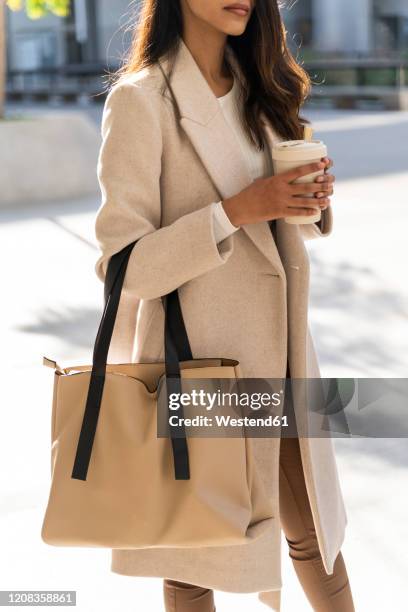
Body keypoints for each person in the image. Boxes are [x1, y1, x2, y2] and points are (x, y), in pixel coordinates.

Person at [93, 1, 355, 610]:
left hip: (283, 354)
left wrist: (309, 199)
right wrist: (239, 209)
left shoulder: (260, 88)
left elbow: (280, 223)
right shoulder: (141, 101)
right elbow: (121, 265)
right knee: (194, 563)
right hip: (198, 363)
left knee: (317, 534)